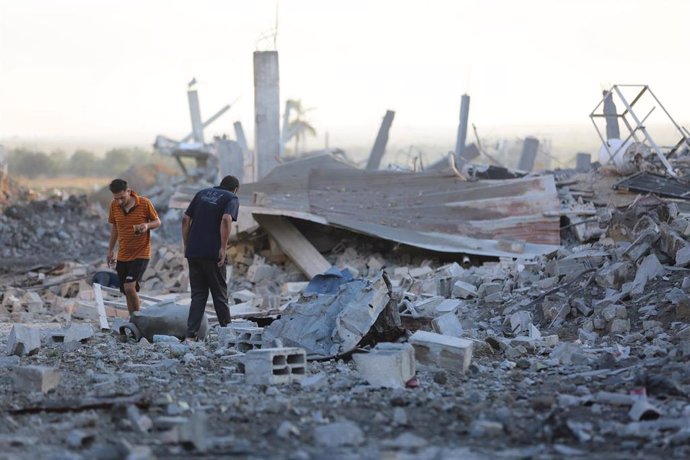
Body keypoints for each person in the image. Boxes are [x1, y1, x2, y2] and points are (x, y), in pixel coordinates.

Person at [182, 175, 240, 341]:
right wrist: (223, 247)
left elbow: (186, 219)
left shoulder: (201, 193)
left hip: (194, 252)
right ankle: (227, 334)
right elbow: (226, 219)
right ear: (235, 189)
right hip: (212, 252)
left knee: (198, 295)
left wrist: (187, 244)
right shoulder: (231, 197)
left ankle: (190, 336)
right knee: (219, 294)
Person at [107, 178, 161, 314]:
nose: (119, 202)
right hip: (123, 254)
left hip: (141, 253)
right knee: (126, 290)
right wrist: (110, 250)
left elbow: (157, 222)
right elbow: (115, 228)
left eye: (122, 198)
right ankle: (133, 319)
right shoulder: (114, 205)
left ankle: (138, 318)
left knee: (129, 287)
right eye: (116, 198)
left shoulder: (144, 203)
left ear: (129, 191)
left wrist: (147, 225)